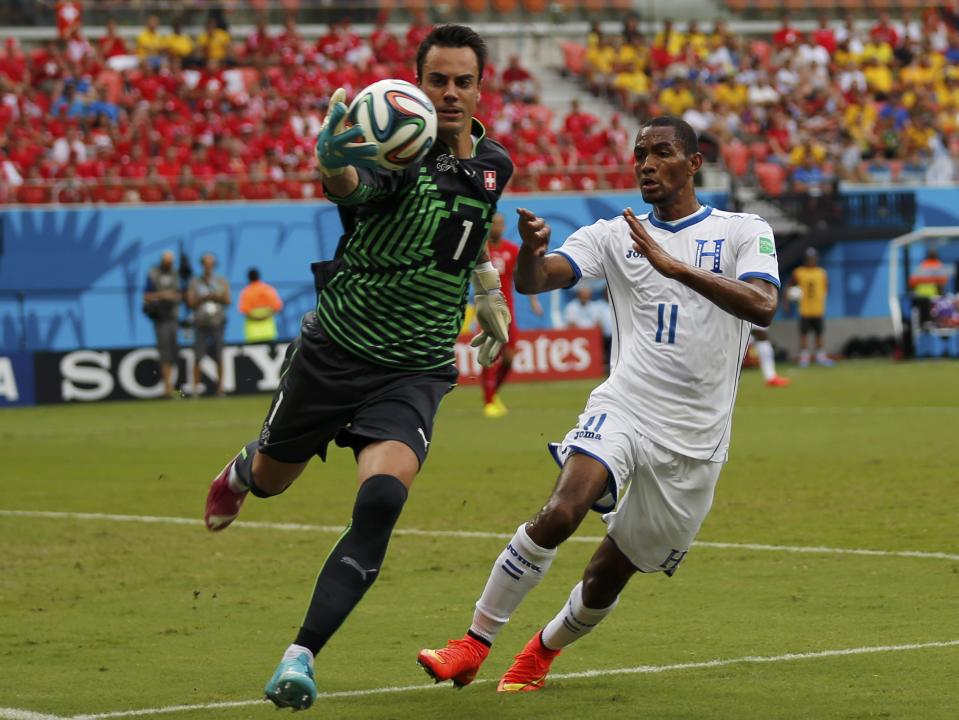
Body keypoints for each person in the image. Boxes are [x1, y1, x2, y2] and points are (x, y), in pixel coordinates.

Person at [202, 25, 513, 710]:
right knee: (275, 481)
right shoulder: (392, 147)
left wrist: (486, 289)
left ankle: (300, 656)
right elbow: (352, 188)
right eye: (439, 80)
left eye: (463, 81)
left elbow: (469, 226)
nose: (451, 93)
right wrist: (331, 162)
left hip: (417, 366)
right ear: (419, 82)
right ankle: (247, 468)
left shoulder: (493, 163)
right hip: (336, 349)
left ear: (479, 86)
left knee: (380, 500)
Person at [418, 116, 780, 693]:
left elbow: (763, 305)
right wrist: (532, 255)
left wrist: (675, 267)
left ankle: (541, 650)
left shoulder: (743, 230)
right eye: (639, 154)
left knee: (608, 574)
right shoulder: (615, 234)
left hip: (696, 441)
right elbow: (540, 281)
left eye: (662, 153)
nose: (646, 164)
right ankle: (473, 642)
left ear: (693, 164)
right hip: (626, 405)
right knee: (561, 512)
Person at [482, 213, 543, 418]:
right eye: (494, 224)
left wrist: (534, 301)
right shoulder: (481, 250)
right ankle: (488, 401)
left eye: (500, 224)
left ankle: (494, 393)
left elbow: (523, 276)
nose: (497, 227)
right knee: (491, 357)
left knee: (508, 359)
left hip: (508, 313)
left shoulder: (511, 250)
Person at [187, 252, 231, 396]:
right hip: (200, 323)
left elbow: (228, 300)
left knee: (218, 355)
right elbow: (190, 302)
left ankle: (220, 388)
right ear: (202, 265)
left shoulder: (220, 281)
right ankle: (195, 388)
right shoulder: (195, 282)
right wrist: (203, 298)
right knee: (198, 356)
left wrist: (215, 296)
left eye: (210, 263)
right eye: (206, 263)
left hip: (217, 321)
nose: (208, 266)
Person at [143, 250, 182, 398]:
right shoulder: (153, 274)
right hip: (160, 318)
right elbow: (147, 296)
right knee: (164, 352)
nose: (169, 264)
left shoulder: (175, 274)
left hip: (173, 316)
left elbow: (180, 294)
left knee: (173, 352)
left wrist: (172, 296)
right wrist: (164, 295)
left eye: (170, 262)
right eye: (166, 261)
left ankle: (174, 386)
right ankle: (167, 387)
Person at [788, 247, 833, 367]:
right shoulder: (799, 272)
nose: (811, 261)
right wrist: (789, 299)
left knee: (819, 334)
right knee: (804, 335)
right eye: (809, 258)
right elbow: (790, 286)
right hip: (805, 310)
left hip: (818, 309)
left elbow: (826, 287)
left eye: (813, 258)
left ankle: (820, 356)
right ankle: (804, 357)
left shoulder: (821, 272)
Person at [562, 282, 612, 369]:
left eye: (587, 293)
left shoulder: (594, 306)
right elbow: (571, 326)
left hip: (593, 338)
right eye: (583, 293)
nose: (585, 295)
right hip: (578, 339)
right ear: (578, 294)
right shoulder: (572, 307)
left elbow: (599, 324)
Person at [237, 268, 283, 344]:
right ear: (259, 276)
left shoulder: (246, 292)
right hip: (268, 330)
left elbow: (244, 311)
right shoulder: (268, 289)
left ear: (248, 278)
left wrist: (257, 317)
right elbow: (277, 307)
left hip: (253, 333)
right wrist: (265, 316)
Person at [908, 247, 950, 328]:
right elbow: (942, 283)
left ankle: (923, 325)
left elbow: (912, 282)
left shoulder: (922, 265)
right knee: (935, 313)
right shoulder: (938, 265)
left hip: (920, 294)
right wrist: (942, 294)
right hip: (932, 294)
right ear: (937, 256)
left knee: (922, 316)